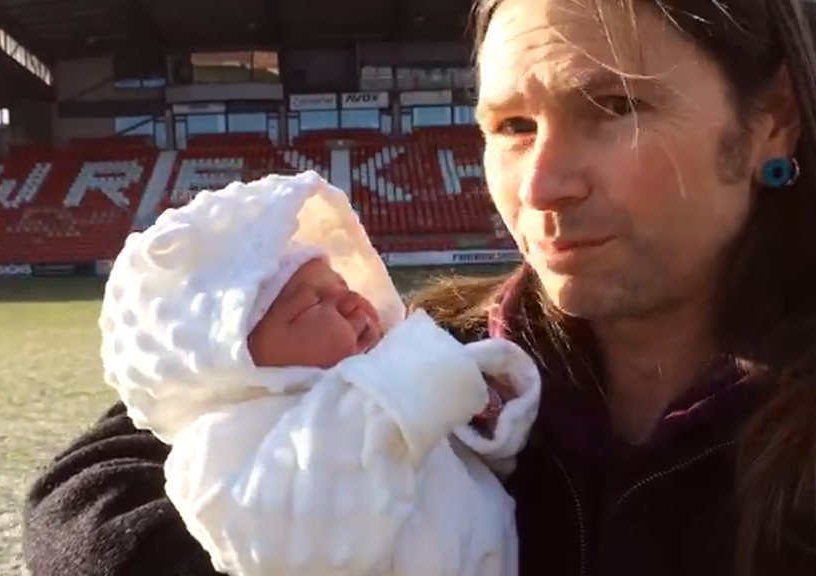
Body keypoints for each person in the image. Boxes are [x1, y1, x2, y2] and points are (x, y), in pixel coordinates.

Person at [23, 0, 816, 575]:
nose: (542, 184)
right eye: (511, 126)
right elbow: (84, 502)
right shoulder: (417, 343)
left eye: (617, 106)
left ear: (770, 118)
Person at [97, 172, 541, 576]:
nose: (352, 304)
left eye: (344, 287)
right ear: (238, 363)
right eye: (312, 304)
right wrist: (416, 384)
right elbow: (289, 537)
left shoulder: (384, 380)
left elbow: (476, 456)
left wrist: (488, 412)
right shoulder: (227, 449)